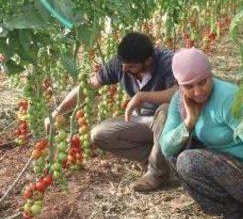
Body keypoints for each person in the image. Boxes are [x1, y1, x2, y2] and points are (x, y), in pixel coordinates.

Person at [47, 32, 178, 191]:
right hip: (145, 124)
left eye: (130, 66)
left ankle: (157, 174)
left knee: (165, 111)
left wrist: (143, 96)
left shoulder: (168, 61)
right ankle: (157, 160)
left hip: (170, 125)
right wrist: (58, 112)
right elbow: (89, 86)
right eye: (123, 63)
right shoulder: (121, 64)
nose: (124, 68)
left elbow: (179, 92)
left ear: (148, 61)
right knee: (99, 134)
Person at [159, 48, 243, 219]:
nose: (197, 92)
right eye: (189, 86)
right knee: (176, 151)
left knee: (188, 160)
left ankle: (241, 211)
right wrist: (189, 121)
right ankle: (228, 211)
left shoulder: (228, 99)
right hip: (227, 167)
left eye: (203, 82)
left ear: (210, 75)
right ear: (179, 85)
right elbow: (166, 147)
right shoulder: (179, 101)